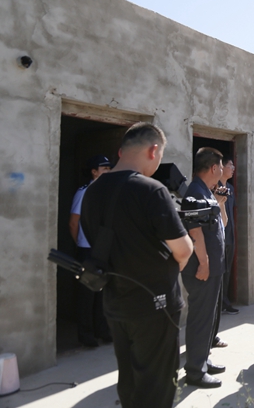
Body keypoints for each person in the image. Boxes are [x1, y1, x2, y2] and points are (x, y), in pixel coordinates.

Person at [81, 122, 193, 408]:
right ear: (153, 150)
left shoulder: (92, 192)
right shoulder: (151, 190)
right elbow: (183, 250)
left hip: (116, 302)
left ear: (121, 152)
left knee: (129, 380)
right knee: (157, 386)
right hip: (155, 304)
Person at [180, 148, 229, 388]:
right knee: (200, 318)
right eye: (221, 166)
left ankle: (202, 360)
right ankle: (195, 372)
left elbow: (217, 224)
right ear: (213, 168)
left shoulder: (206, 192)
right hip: (203, 269)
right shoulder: (195, 192)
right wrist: (204, 263)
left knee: (208, 317)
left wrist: (219, 203)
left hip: (212, 267)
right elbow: (194, 230)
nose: (223, 170)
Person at [69, 154, 113, 347]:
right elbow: (73, 222)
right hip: (87, 249)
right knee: (86, 294)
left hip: (102, 248)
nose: (108, 172)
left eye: (109, 169)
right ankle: (86, 334)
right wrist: (80, 243)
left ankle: (102, 331)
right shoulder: (84, 192)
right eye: (104, 169)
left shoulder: (106, 192)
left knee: (102, 292)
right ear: (94, 172)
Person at [219, 157, 239, 315]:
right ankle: (218, 302)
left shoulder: (230, 188)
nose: (233, 168)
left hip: (230, 235)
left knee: (227, 270)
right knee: (219, 270)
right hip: (219, 236)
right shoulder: (214, 187)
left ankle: (224, 301)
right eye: (229, 165)